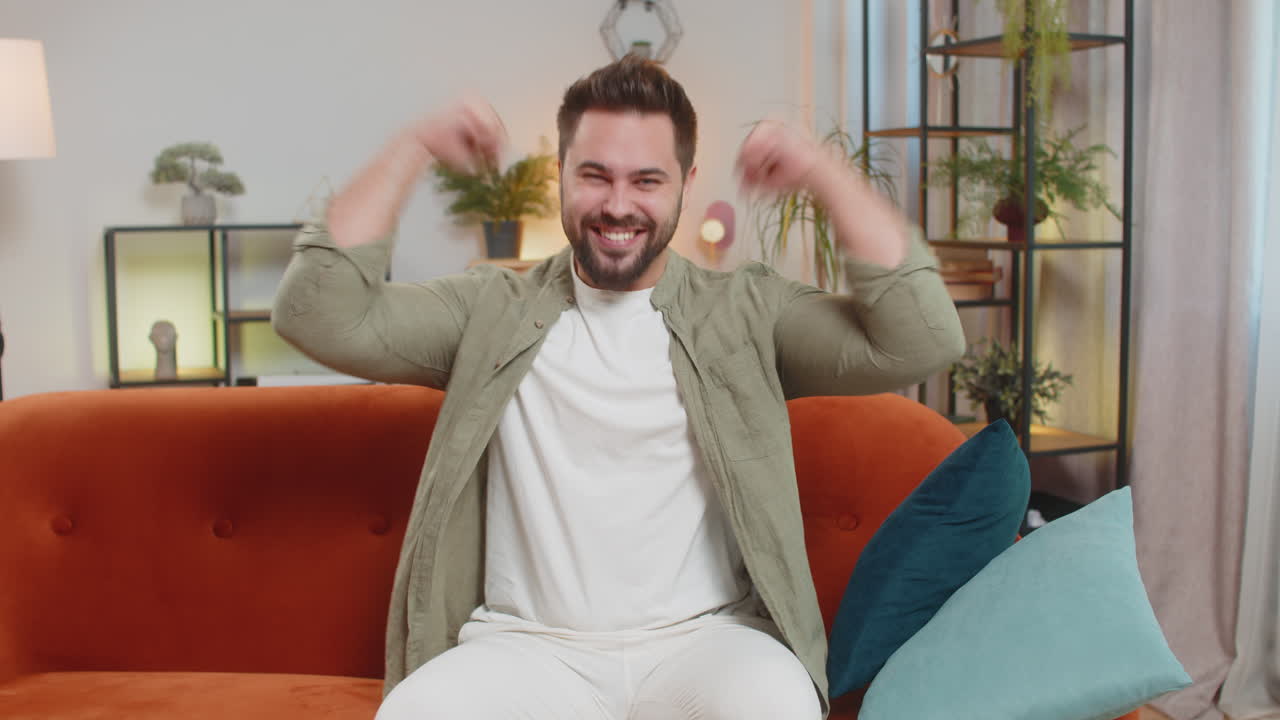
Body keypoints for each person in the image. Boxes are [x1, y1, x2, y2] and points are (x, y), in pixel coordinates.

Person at [272, 56, 964, 720]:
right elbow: (318, 313)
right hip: (526, 651)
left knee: (778, 704)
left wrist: (821, 171)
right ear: (561, 175)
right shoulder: (489, 309)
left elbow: (922, 338)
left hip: (706, 644)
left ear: (686, 182)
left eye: (647, 181)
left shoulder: (747, 312)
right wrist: (415, 144)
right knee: (414, 713)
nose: (617, 204)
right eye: (595, 176)